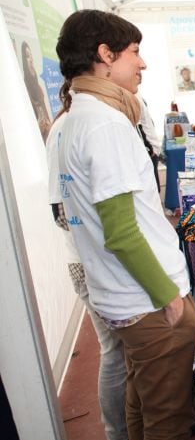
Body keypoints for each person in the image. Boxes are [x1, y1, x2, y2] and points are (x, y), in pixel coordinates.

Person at [54, 9, 195, 438]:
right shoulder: (105, 124)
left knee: (140, 400)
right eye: (134, 52)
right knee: (168, 419)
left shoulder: (74, 119)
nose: (142, 63)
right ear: (105, 54)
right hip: (147, 301)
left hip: (122, 296)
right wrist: (170, 299)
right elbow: (121, 232)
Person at [46, 108, 128, 440]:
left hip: (104, 262)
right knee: (116, 352)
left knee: (124, 351)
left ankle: (128, 427)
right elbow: (62, 213)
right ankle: (117, 433)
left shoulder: (83, 123)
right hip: (93, 265)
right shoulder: (70, 127)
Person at [21, 41, 52, 140]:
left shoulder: (37, 84)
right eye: (27, 56)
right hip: (39, 137)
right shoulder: (25, 86)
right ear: (24, 60)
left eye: (31, 55)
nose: (31, 59)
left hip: (48, 133)